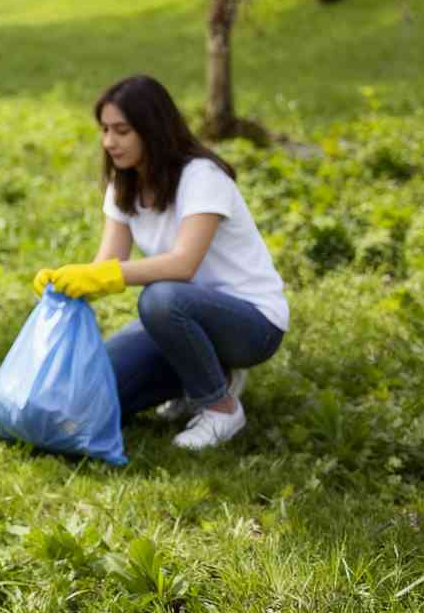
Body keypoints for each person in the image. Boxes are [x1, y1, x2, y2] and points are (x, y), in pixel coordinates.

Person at [32, 74, 288, 451]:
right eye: (104, 130)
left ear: (151, 129)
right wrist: (65, 285)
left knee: (161, 298)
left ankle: (219, 406)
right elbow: (108, 262)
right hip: (179, 322)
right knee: (88, 399)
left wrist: (104, 276)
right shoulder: (124, 185)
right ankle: (200, 376)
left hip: (251, 324)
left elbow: (183, 264)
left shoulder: (202, 177)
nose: (109, 142)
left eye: (122, 130)